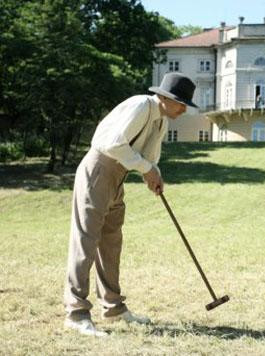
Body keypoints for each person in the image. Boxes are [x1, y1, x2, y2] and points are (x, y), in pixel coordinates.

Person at [63, 73, 198, 336]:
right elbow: (112, 144)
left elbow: (148, 158)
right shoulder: (141, 105)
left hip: (118, 178)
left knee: (111, 243)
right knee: (86, 241)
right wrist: (147, 169)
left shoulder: (161, 122)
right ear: (165, 98)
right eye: (181, 103)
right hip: (98, 171)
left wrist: (153, 173)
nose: (183, 109)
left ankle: (113, 307)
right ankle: (76, 313)